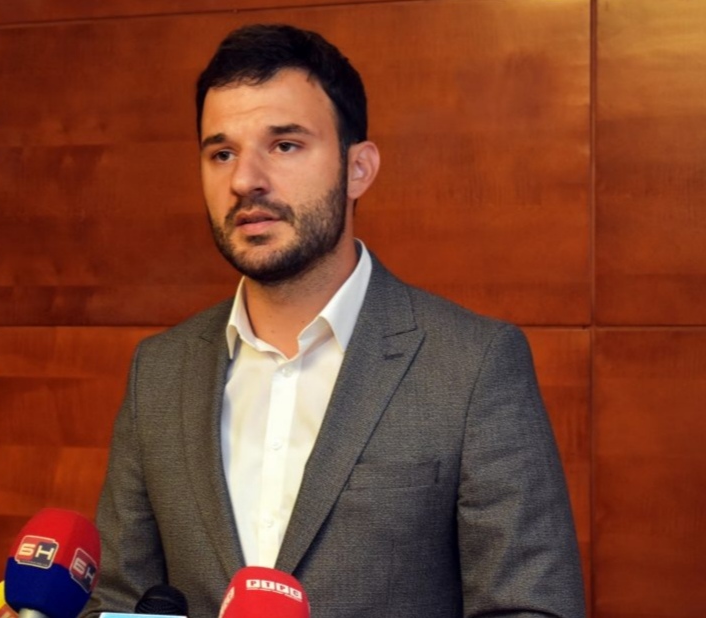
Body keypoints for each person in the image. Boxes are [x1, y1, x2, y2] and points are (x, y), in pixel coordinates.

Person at [81, 24, 585, 618]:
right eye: (222, 153)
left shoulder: (471, 365)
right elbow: (118, 598)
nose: (244, 180)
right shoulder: (159, 372)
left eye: (285, 145)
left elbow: (531, 605)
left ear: (358, 168)